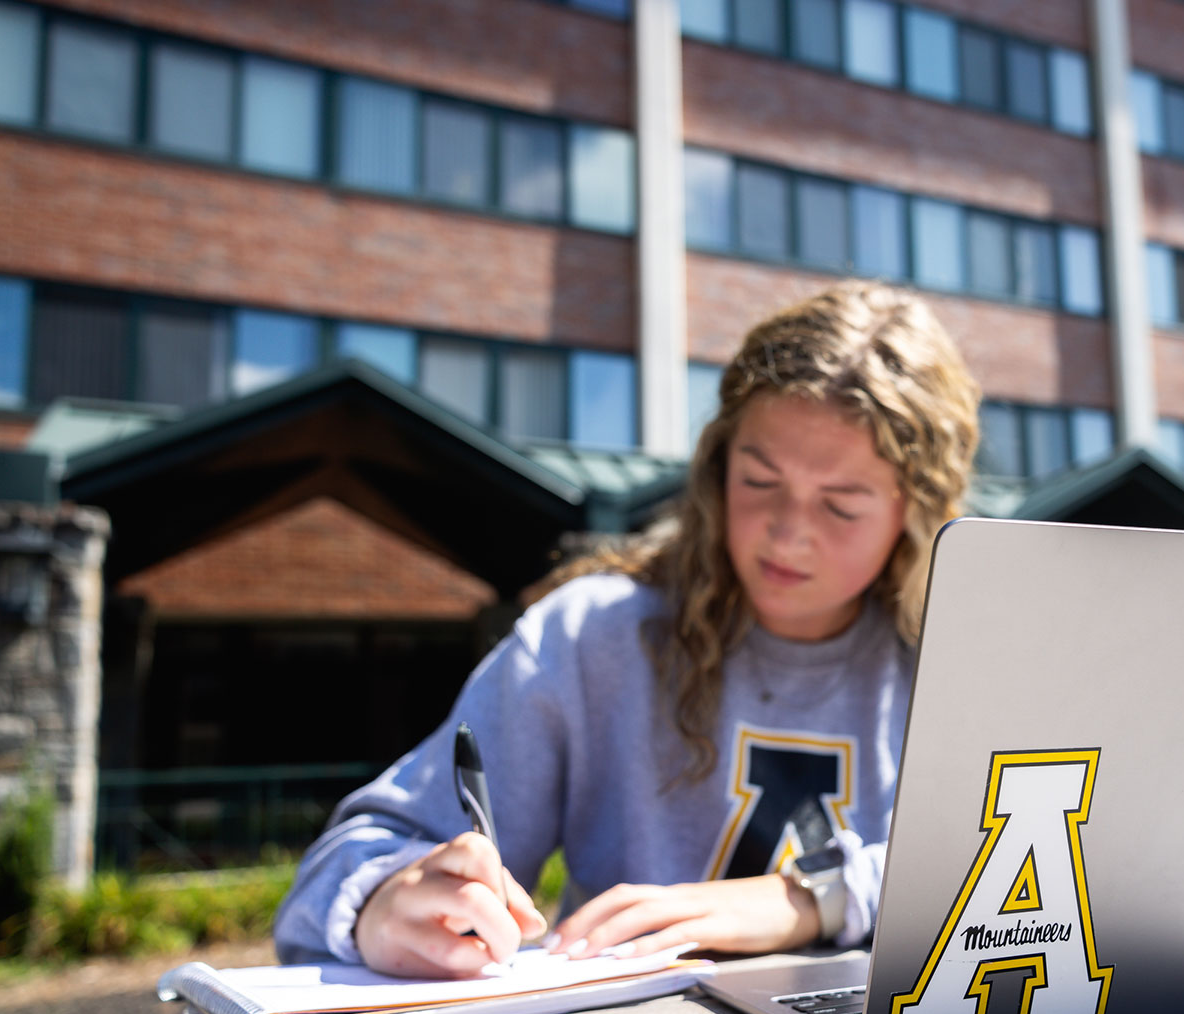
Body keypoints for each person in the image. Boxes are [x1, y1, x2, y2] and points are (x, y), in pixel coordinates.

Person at [273, 281, 981, 977]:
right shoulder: (591, 637)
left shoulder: (959, 654)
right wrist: (383, 900)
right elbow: (341, 867)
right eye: (759, 481)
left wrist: (808, 898)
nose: (788, 535)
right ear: (715, 467)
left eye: (841, 505)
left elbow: (1043, 870)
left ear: (916, 514)